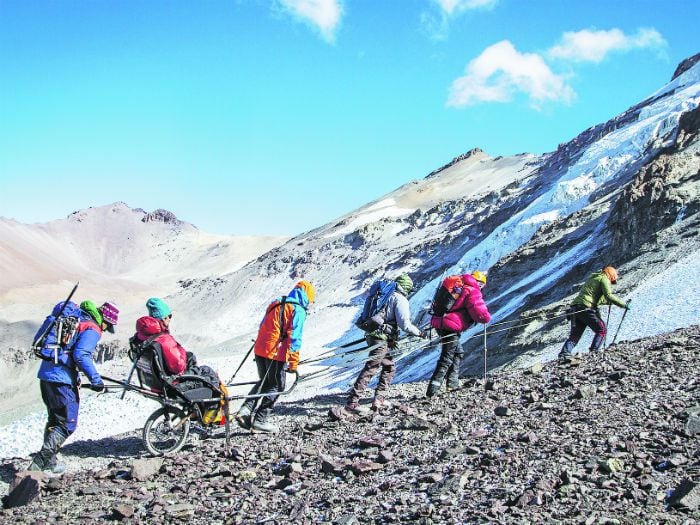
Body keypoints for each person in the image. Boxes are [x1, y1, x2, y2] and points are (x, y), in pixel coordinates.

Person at [28, 300, 119, 474]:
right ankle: (37, 465)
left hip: (46, 376)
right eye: (108, 326)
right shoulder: (92, 328)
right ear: (106, 320)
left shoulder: (76, 318)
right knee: (67, 424)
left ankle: (50, 462)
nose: (106, 330)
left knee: (55, 420)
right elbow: (81, 354)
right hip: (61, 380)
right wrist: (95, 380)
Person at [337, 273, 425, 417]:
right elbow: (405, 324)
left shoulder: (384, 294)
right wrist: (419, 333)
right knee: (372, 367)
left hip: (372, 334)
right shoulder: (400, 299)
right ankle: (352, 402)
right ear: (407, 288)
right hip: (381, 338)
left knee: (389, 365)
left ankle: (379, 399)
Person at [236, 281, 316, 433]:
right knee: (277, 385)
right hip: (276, 352)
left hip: (260, 349)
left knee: (265, 382)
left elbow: (263, 325)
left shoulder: (277, 303)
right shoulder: (297, 310)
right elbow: (295, 338)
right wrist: (293, 363)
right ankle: (260, 420)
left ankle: (245, 410)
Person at [426, 271, 491, 398]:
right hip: (451, 325)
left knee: (457, 352)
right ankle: (432, 390)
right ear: (480, 283)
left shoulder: (459, 286)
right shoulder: (473, 290)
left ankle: (452, 384)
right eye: (482, 285)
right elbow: (479, 311)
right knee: (447, 356)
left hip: (440, 322)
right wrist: (486, 318)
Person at [559, 266, 630, 359]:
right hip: (586, 308)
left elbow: (597, 298)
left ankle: (564, 353)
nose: (612, 282)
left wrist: (609, 303)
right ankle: (594, 351)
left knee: (575, 335)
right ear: (611, 274)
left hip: (575, 309)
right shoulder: (604, 279)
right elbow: (608, 295)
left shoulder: (594, 278)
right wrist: (623, 304)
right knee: (602, 330)